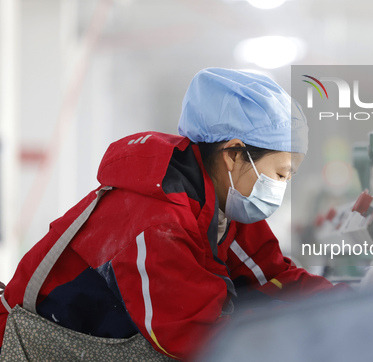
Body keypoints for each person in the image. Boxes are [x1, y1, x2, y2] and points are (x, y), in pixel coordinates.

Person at [0, 68, 346, 360]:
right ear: (234, 155)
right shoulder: (158, 220)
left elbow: (270, 276)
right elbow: (197, 338)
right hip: (31, 348)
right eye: (281, 174)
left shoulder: (224, 205)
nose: (282, 186)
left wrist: (352, 306)